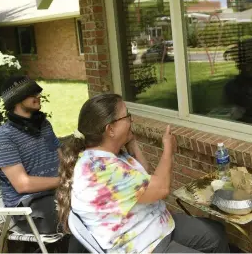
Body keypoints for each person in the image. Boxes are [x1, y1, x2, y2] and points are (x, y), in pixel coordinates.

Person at [57, 93, 229, 253]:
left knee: (216, 234)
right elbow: (160, 189)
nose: (131, 120)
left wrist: (132, 143)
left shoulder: (109, 153)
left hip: (155, 224)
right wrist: (168, 150)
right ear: (110, 129)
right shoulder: (101, 169)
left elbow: (144, 177)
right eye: (127, 116)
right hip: (144, 245)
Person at [0, 75, 84, 252]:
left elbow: (61, 158)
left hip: (55, 194)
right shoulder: (3, 139)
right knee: (80, 213)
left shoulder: (43, 125)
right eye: (31, 93)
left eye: (37, 91)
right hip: (28, 210)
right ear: (17, 100)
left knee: (96, 200)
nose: (38, 95)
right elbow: (22, 184)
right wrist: (65, 182)